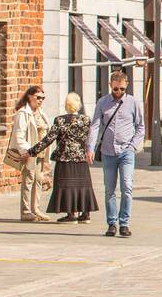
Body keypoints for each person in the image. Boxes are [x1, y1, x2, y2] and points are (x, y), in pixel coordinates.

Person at [87, 71, 145, 238]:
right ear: (110, 85)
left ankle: (124, 223)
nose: (118, 92)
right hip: (108, 151)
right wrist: (90, 148)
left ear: (126, 85)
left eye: (121, 88)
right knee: (109, 189)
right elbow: (95, 126)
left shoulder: (133, 102)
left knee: (127, 187)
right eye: (115, 89)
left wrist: (133, 145)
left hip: (126, 151)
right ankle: (112, 223)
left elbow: (141, 127)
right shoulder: (103, 102)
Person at [28, 92, 98, 223]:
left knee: (67, 186)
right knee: (83, 186)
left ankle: (71, 215)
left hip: (65, 159)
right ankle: (85, 214)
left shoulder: (60, 120)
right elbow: (91, 137)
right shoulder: (86, 120)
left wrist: (32, 151)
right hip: (81, 159)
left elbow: (49, 139)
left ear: (66, 105)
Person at [9, 85, 51, 222]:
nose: (40, 101)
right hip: (29, 152)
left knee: (38, 179)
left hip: (40, 152)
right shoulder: (23, 113)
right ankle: (26, 211)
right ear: (29, 96)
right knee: (28, 180)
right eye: (38, 97)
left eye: (43, 98)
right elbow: (19, 135)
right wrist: (26, 151)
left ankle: (36, 209)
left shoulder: (40, 112)